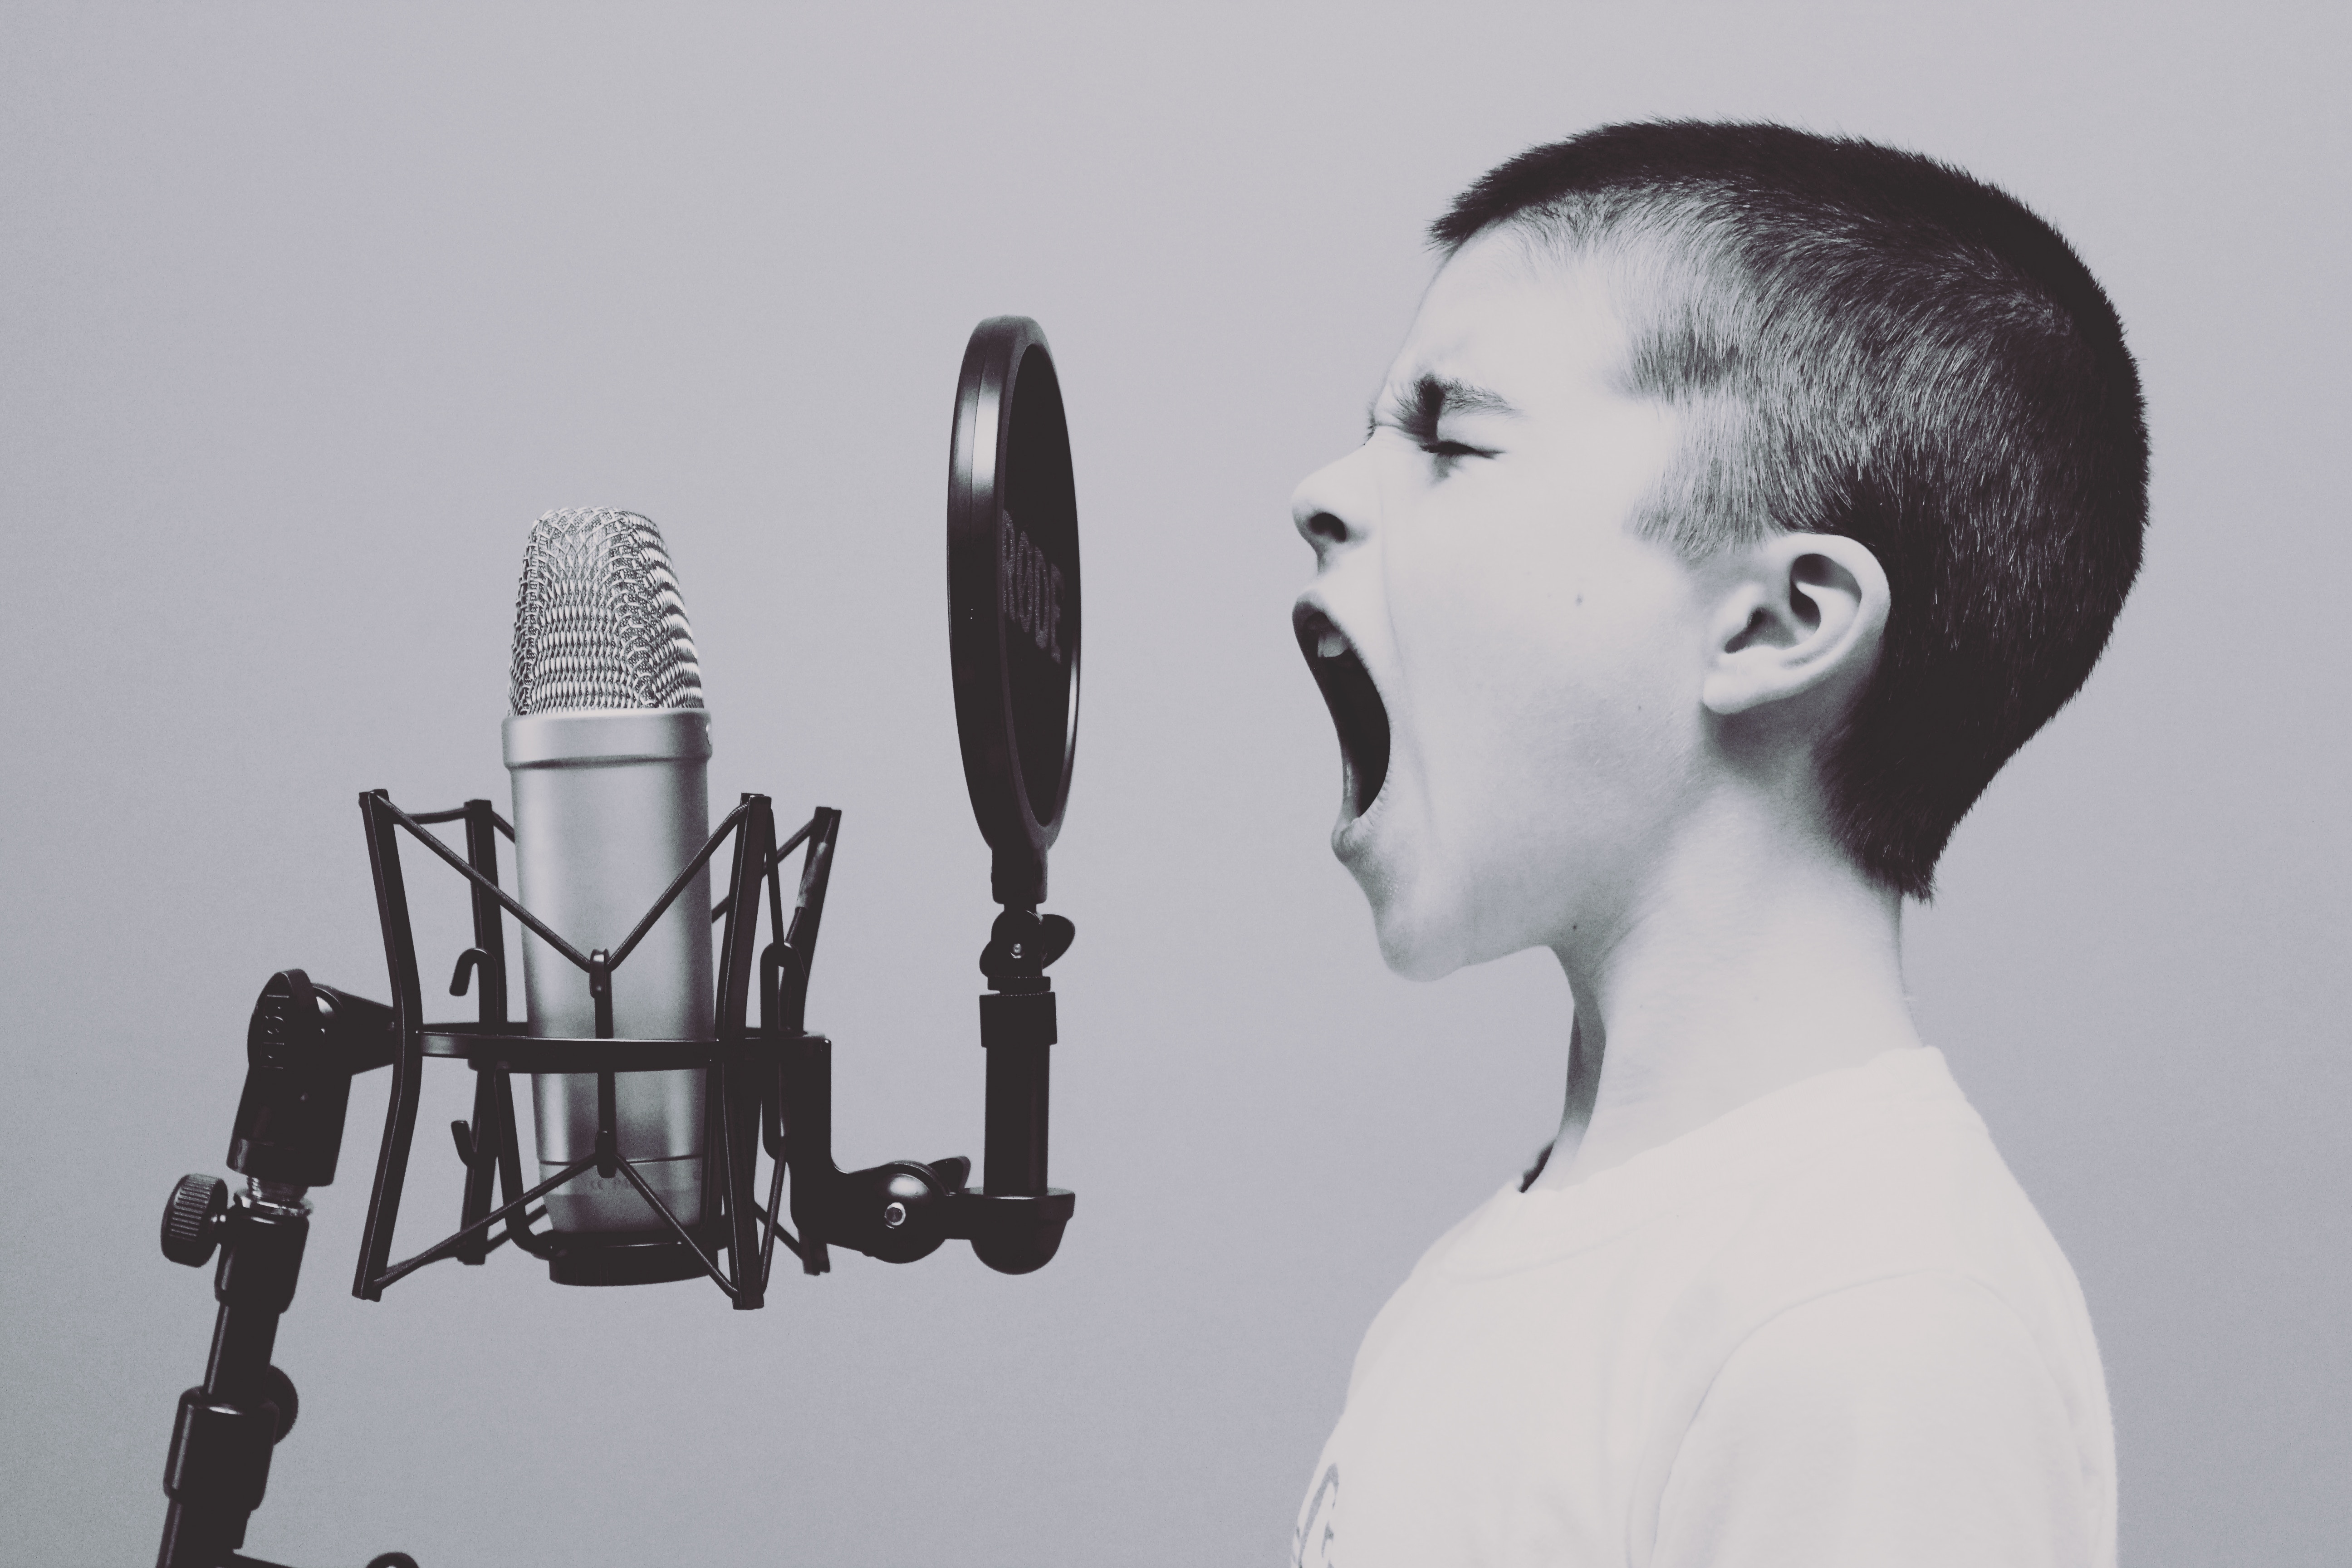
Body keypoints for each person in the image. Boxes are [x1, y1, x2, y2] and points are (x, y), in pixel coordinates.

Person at [1287, 121, 2145, 1568]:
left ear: (1777, 621)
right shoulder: (1512, 1267)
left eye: (1451, 437)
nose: (1323, 493)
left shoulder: (1871, 1325)